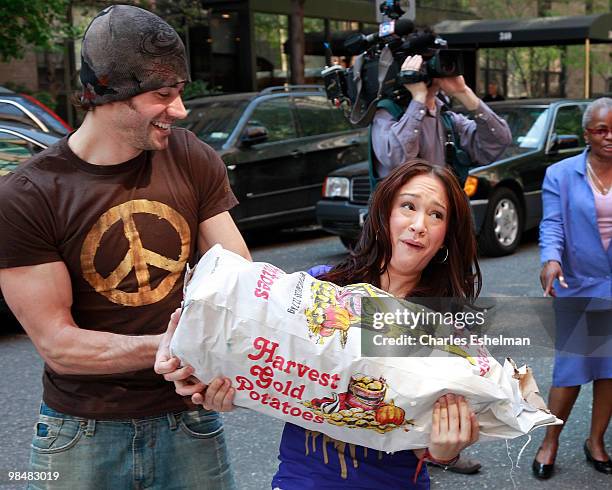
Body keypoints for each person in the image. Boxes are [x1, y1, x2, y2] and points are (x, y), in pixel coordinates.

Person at [0, 5, 249, 489]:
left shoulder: (192, 157)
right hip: (79, 435)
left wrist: (230, 360)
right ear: (110, 93)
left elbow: (239, 279)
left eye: (179, 93)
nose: (179, 110)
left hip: (189, 423)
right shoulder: (28, 195)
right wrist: (179, 346)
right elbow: (59, 345)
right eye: (163, 95)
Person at [161, 160, 484, 487]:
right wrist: (213, 379)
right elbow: (258, 360)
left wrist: (443, 451)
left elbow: (425, 445)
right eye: (408, 206)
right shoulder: (320, 287)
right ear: (384, 213)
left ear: (446, 237)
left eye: (436, 214)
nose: (418, 225)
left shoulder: (448, 330)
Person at [533, 97, 612, 479]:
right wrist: (551, 259)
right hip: (578, 284)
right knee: (570, 370)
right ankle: (550, 441)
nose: (610, 137)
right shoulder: (561, 174)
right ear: (586, 134)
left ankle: (596, 441)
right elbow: (552, 225)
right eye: (601, 130)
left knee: (610, 370)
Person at [370, 54, 512, 185]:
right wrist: (419, 98)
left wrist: (463, 92)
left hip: (443, 210)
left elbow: (498, 142)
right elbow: (397, 159)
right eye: (424, 63)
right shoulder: (387, 113)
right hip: (406, 211)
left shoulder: (448, 119)